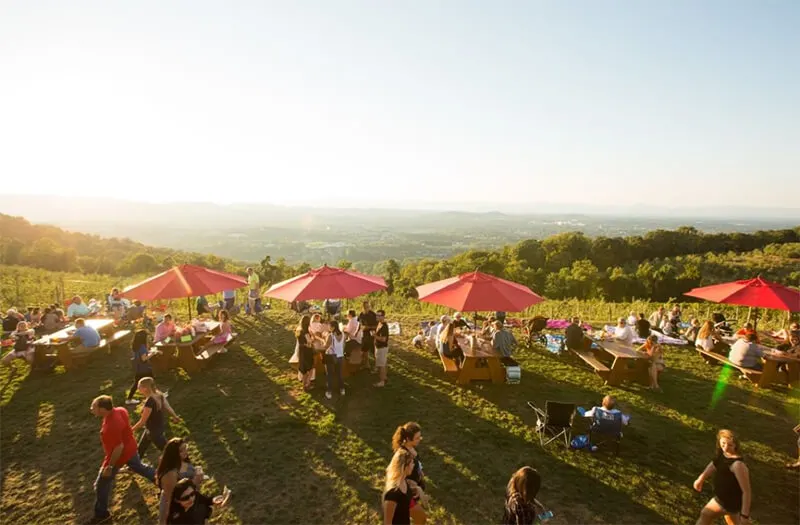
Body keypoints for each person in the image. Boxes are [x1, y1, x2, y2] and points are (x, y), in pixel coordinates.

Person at [89, 395, 155, 524]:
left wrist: (110, 467)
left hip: (119, 456)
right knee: (140, 467)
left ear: (102, 409)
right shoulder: (120, 410)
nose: (91, 408)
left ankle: (102, 515)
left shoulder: (110, 426)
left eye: (94, 406)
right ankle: (162, 479)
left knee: (101, 484)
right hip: (131, 448)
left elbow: (118, 447)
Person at [693, 429, 752, 525]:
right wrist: (701, 478)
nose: (725, 447)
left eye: (730, 445)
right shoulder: (723, 455)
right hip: (724, 498)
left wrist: (745, 515)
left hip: (729, 501)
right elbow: (714, 464)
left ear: (736, 445)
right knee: (733, 521)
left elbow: (746, 491)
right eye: (723, 443)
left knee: (705, 514)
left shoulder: (738, 465)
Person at [157, 438, 218, 525]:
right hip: (179, 506)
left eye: (186, 448)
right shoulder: (170, 474)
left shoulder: (183, 460)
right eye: (181, 450)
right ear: (173, 454)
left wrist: (198, 476)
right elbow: (173, 497)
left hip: (190, 499)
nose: (185, 451)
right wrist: (195, 481)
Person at [131, 377, 180, 457]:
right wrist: (174, 416)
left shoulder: (149, 402)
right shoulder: (159, 395)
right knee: (141, 449)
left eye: (139, 387)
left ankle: (183, 464)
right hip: (155, 428)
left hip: (154, 433)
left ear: (145, 388)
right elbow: (168, 407)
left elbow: (142, 421)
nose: (138, 389)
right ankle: (134, 466)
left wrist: (131, 430)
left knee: (169, 452)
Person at [392, 422, 429, 524]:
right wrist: (418, 490)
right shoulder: (403, 455)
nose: (420, 439)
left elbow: (417, 463)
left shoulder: (411, 447)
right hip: (407, 494)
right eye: (417, 438)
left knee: (418, 518)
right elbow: (399, 479)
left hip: (414, 491)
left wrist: (420, 471)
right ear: (408, 439)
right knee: (421, 518)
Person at [126, 330, 159, 406]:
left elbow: (141, 356)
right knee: (151, 380)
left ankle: (129, 399)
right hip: (144, 368)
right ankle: (156, 395)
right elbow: (144, 358)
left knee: (137, 383)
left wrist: (149, 352)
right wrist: (153, 353)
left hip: (138, 367)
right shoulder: (142, 347)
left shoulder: (135, 345)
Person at [383, 448, 415, 525]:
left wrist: (417, 490)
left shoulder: (404, 482)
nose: (413, 465)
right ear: (405, 466)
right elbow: (388, 523)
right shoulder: (393, 494)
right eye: (411, 463)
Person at [324, 320, 345, 398]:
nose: (328, 327)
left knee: (329, 375)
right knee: (339, 374)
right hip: (340, 356)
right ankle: (342, 389)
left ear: (332, 327)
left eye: (329, 326)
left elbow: (325, 346)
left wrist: (322, 339)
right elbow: (343, 345)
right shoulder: (343, 334)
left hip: (331, 356)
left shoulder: (331, 335)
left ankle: (329, 392)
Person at [296, 315, 314, 390]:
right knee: (310, 369)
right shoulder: (306, 332)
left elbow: (301, 342)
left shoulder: (299, 330)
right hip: (307, 352)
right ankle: (308, 383)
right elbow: (309, 343)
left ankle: (304, 385)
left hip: (301, 351)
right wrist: (312, 339)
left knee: (304, 369)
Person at [358, 302, 378, 372]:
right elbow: (360, 324)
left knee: (374, 352)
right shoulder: (361, 315)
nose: (366, 308)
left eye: (367, 307)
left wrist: (368, 327)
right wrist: (361, 327)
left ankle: (376, 366)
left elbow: (377, 326)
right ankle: (367, 365)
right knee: (364, 351)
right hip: (364, 335)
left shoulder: (373, 315)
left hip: (372, 335)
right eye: (365, 307)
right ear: (362, 307)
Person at [374, 310, 390, 387]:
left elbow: (383, 339)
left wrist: (374, 336)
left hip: (382, 348)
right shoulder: (379, 323)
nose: (377, 317)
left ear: (383, 316)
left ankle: (382, 382)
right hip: (379, 347)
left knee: (381, 365)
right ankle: (385, 377)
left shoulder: (384, 326)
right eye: (376, 315)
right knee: (383, 363)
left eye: (379, 315)